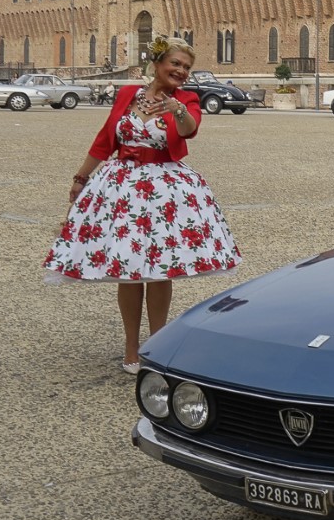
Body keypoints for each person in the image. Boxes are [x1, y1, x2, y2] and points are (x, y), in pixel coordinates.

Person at [43, 37, 242, 374]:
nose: (181, 71)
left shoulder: (187, 100)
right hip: (123, 188)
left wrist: (177, 109)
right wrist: (81, 178)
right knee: (129, 267)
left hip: (164, 191)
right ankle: (131, 346)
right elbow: (105, 140)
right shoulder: (127, 95)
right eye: (175, 63)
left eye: (186, 67)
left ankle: (158, 344)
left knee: (161, 269)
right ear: (157, 63)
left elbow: (189, 129)